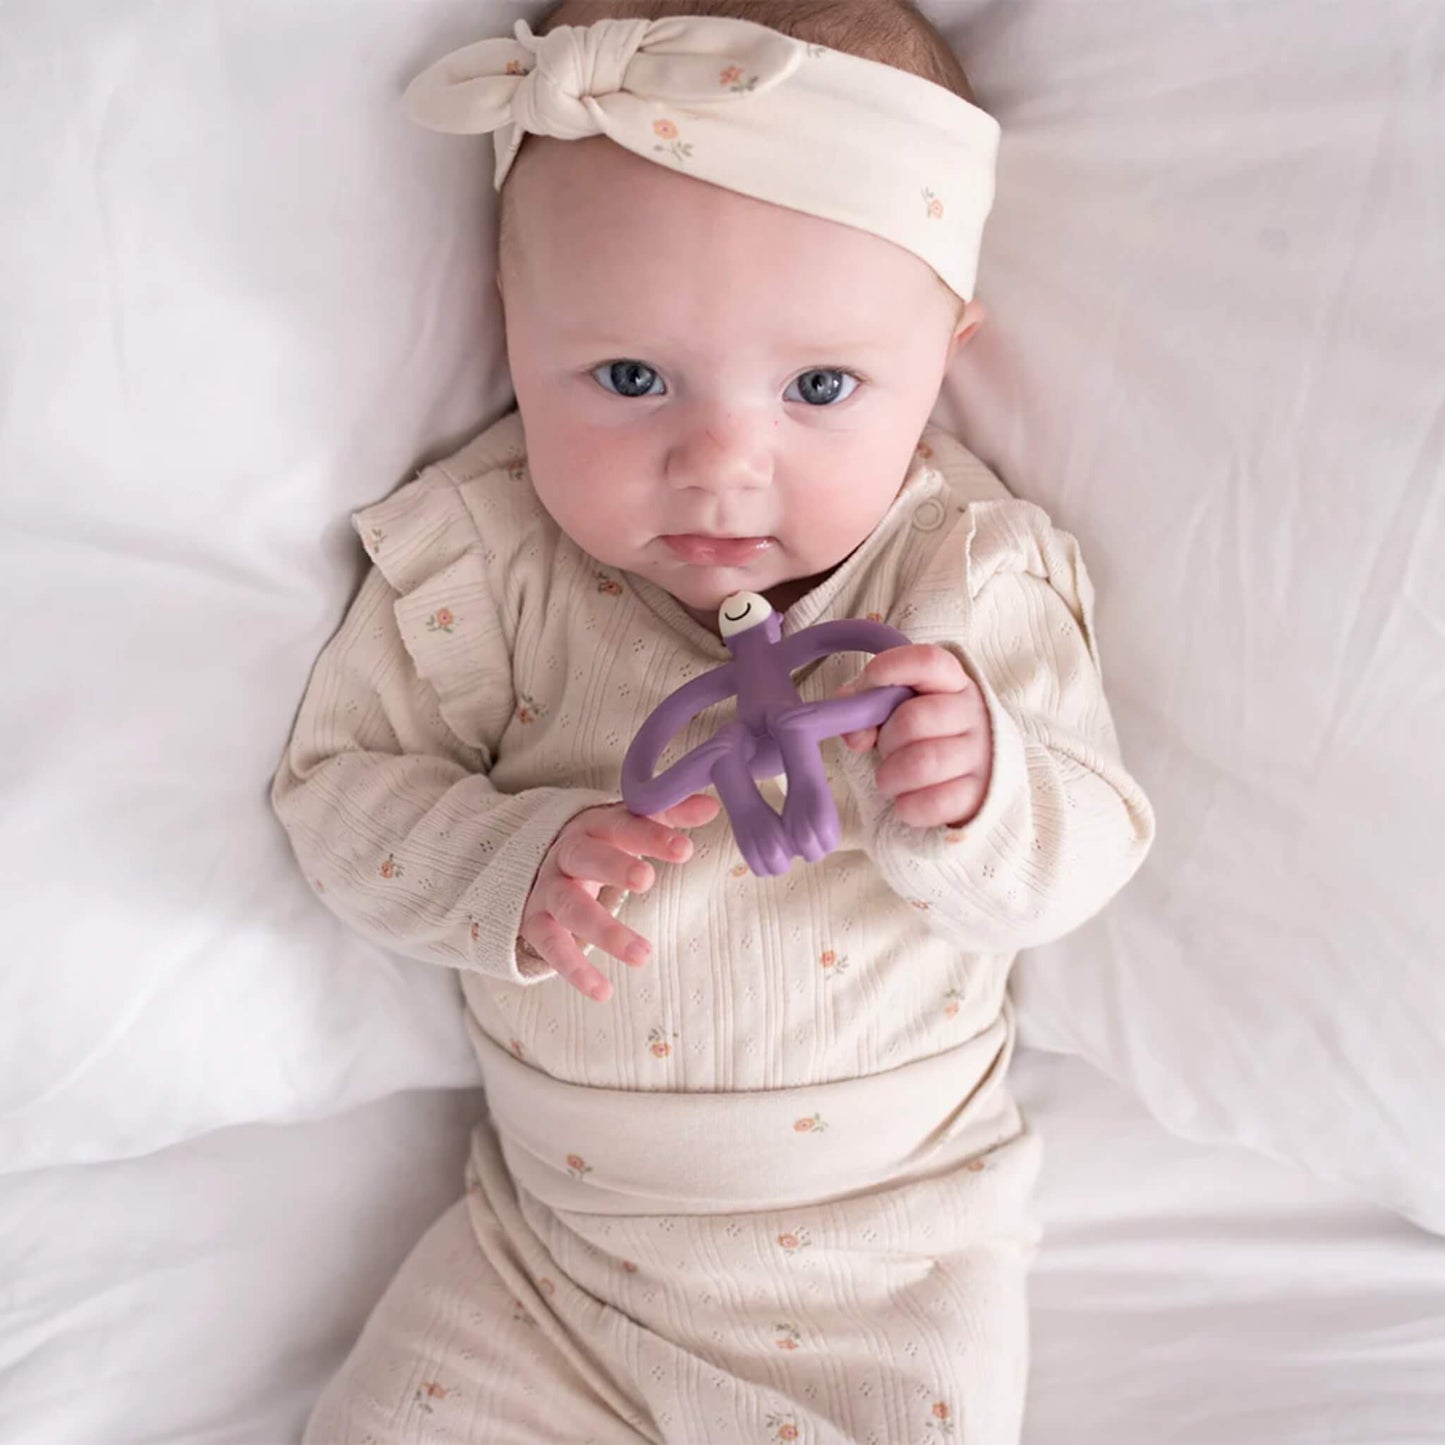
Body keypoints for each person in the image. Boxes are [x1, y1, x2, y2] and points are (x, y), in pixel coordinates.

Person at [272, 3, 1157, 1440]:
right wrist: (511, 864)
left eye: (820, 387)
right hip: (547, 1250)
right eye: (628, 380)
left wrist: (986, 785)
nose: (720, 472)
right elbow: (336, 795)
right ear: (515, 332)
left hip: (891, 1248)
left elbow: (1091, 844)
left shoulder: (962, 573)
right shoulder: (483, 567)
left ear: (943, 352)